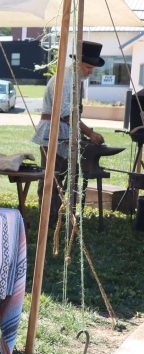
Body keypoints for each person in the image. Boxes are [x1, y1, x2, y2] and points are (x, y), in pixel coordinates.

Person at [31, 40, 106, 226]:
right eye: (88, 67)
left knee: (60, 178)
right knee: (52, 179)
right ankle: (47, 221)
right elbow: (66, 114)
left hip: (64, 134)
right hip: (53, 134)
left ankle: (56, 220)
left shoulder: (74, 79)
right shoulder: (65, 80)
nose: (90, 71)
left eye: (92, 68)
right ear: (78, 63)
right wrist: (90, 133)